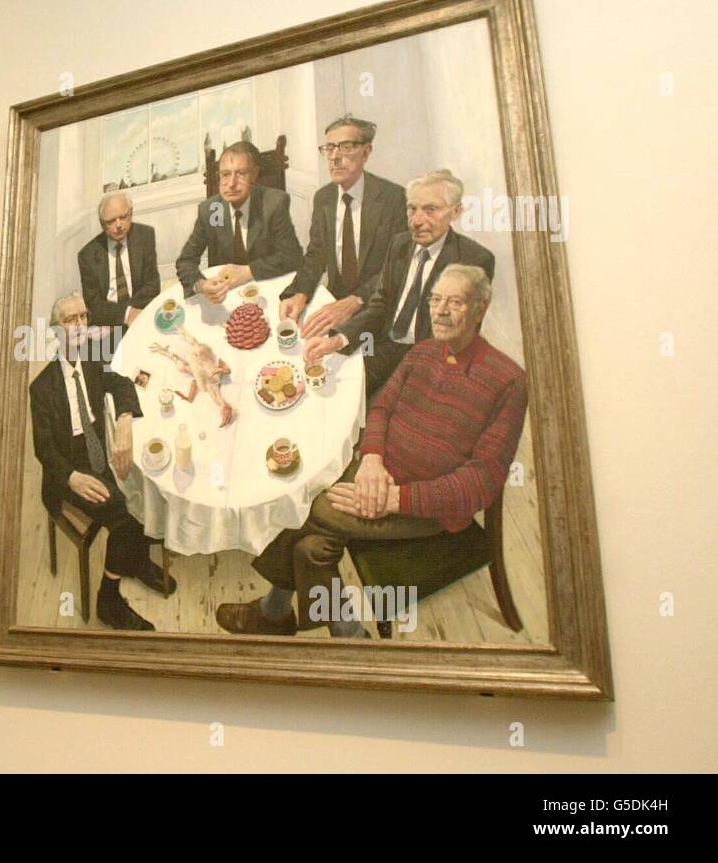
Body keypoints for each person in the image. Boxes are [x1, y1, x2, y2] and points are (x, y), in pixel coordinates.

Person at [217, 265, 526, 638]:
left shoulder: (508, 380)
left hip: (429, 506)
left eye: (455, 302)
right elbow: (381, 409)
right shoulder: (423, 351)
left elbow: (482, 482)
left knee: (305, 506)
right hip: (375, 475)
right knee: (311, 547)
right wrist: (373, 460)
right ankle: (342, 633)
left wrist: (397, 499)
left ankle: (278, 613)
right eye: (436, 300)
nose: (441, 311)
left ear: (480, 308)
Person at [28, 292, 175, 631]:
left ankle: (136, 560)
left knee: (146, 484)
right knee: (127, 515)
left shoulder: (93, 359)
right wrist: (71, 478)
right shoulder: (41, 388)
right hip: (68, 471)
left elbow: (123, 384)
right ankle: (108, 600)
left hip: (97, 453)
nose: (79, 325)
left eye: (83, 317)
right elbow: (44, 450)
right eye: (70, 319)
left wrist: (124, 420)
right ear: (55, 331)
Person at [303, 168, 495, 397]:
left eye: (430, 210)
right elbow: (380, 304)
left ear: (456, 212)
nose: (416, 221)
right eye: (412, 209)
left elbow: (458, 335)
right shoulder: (400, 244)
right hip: (384, 345)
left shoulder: (474, 260)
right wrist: (338, 339)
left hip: (429, 360)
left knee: (378, 414)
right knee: (331, 388)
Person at [278, 115, 406, 339]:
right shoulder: (323, 198)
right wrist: (300, 292)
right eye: (329, 148)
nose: (335, 157)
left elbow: (398, 266)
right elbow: (316, 253)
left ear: (366, 152)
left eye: (345, 147)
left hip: (378, 309)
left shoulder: (394, 198)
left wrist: (356, 300)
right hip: (333, 305)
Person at [174, 140, 303, 303]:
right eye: (225, 174)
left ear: (254, 174)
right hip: (226, 296)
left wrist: (249, 271)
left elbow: (292, 256)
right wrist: (201, 285)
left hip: (267, 288)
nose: (231, 184)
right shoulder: (212, 210)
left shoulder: (274, 202)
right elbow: (186, 261)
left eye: (241, 173)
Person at [77, 191, 161, 338]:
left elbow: (152, 285)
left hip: (141, 311)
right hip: (107, 323)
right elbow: (93, 304)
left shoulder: (145, 235)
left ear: (131, 213)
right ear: (102, 224)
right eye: (111, 221)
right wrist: (125, 315)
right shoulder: (87, 255)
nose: (119, 225)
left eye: (123, 217)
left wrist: (130, 313)